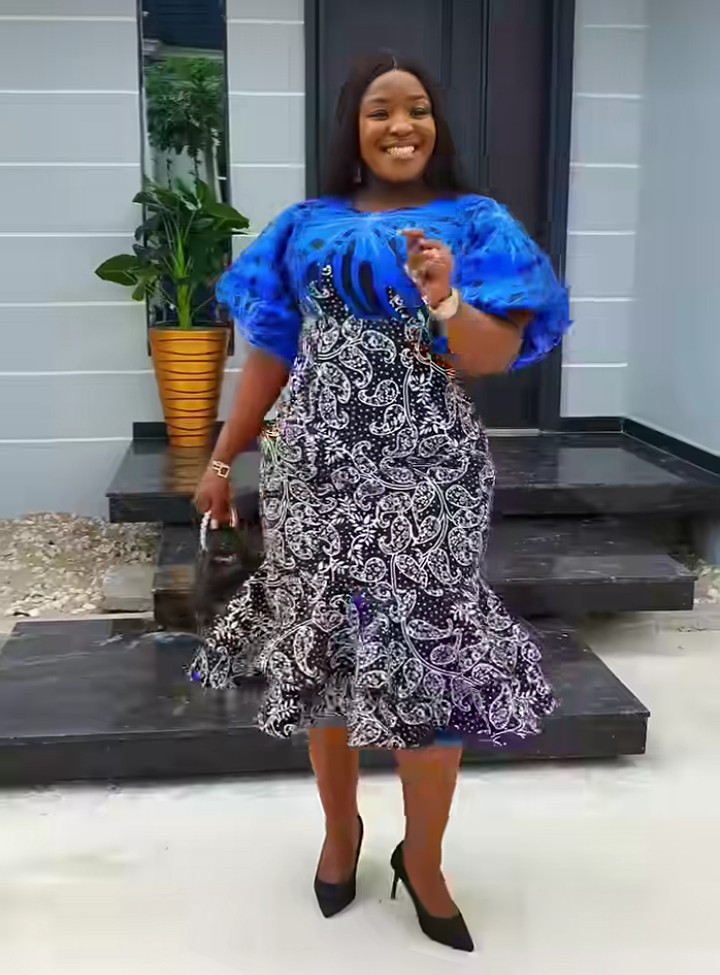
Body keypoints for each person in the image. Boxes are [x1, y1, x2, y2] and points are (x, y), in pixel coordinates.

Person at [192, 53, 570, 952]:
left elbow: (489, 356)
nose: (402, 125)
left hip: (428, 478)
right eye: (380, 110)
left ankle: (424, 859)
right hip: (313, 474)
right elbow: (272, 351)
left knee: (430, 656)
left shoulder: (476, 224)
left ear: (437, 123)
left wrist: (446, 299)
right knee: (325, 649)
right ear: (352, 129)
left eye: (418, 109)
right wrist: (221, 456)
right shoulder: (304, 227)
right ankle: (342, 832)